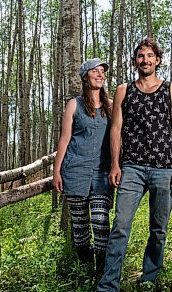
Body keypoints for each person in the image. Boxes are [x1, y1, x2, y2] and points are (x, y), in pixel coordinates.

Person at [90, 38, 172, 292]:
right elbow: (116, 130)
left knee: (159, 230)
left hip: (163, 167)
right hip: (131, 167)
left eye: (150, 56)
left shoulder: (171, 90)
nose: (145, 60)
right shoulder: (124, 90)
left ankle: (149, 281)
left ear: (158, 60)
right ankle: (107, 290)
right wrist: (115, 165)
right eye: (140, 56)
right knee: (120, 226)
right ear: (135, 61)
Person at [53, 58, 114, 277]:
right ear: (85, 77)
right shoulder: (74, 105)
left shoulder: (111, 105)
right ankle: (85, 272)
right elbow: (65, 139)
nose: (100, 75)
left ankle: (101, 275)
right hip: (75, 172)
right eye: (95, 71)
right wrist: (56, 171)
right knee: (79, 229)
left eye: (102, 72)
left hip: (102, 175)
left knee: (100, 223)